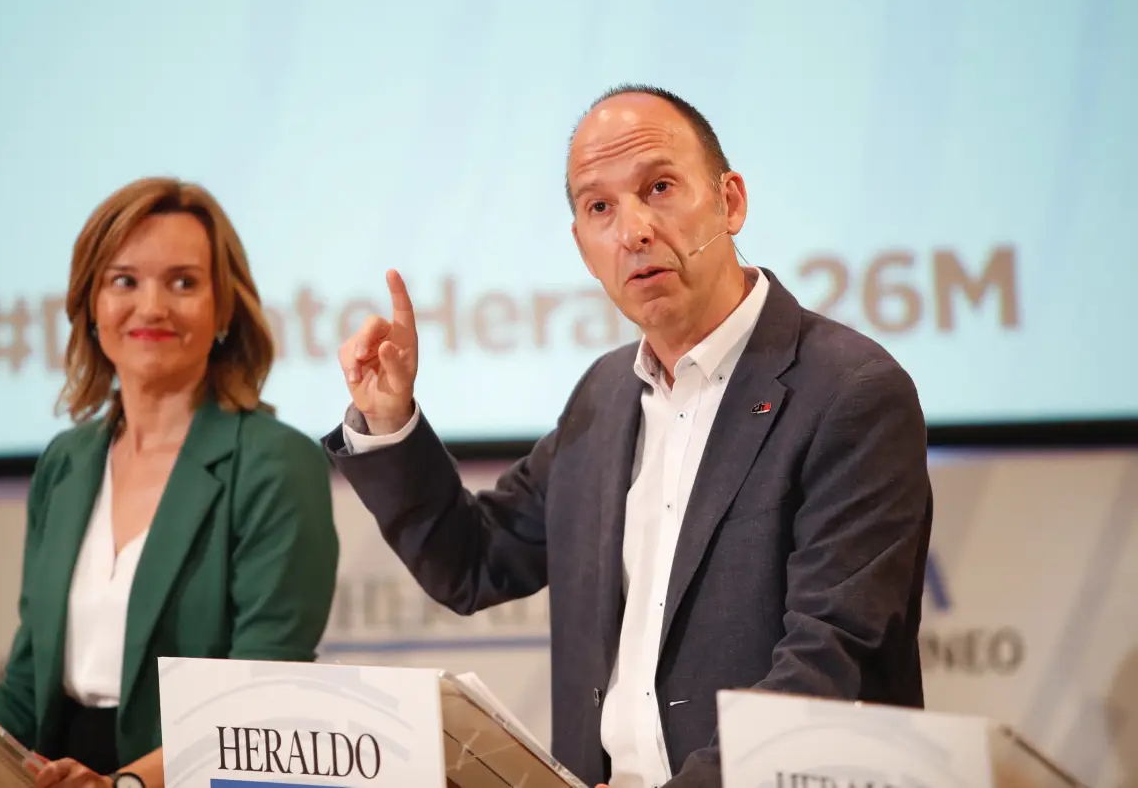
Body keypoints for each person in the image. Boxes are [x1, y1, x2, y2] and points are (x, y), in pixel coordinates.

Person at [323, 86, 933, 788]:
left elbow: (829, 664)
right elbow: (475, 560)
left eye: (660, 188)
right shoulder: (605, 395)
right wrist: (390, 418)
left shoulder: (850, 393)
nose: (633, 231)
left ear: (730, 202)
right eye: (599, 207)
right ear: (583, 249)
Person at [0, 177, 340, 788]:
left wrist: (126, 783)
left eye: (183, 283)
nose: (151, 307)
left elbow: (263, 692)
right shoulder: (65, 463)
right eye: (124, 281)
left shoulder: (277, 464)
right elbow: (25, 684)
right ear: (91, 306)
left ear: (224, 308)